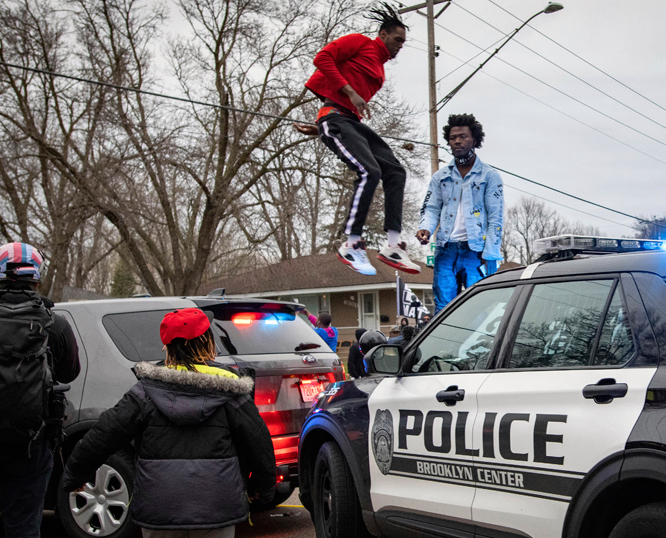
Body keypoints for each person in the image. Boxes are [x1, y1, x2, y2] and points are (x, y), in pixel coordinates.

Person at [61, 308, 276, 538]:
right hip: (216, 508)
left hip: (159, 509)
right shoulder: (231, 392)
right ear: (207, 342)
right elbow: (259, 444)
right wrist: (261, 490)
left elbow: (103, 435)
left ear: (167, 347)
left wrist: (75, 476)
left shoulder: (145, 392)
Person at [294, 3, 420, 277]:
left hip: (348, 122)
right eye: (397, 40)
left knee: (395, 170)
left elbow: (347, 111)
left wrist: (320, 129)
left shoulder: (380, 68)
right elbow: (322, 58)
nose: (400, 46)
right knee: (369, 171)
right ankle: (351, 243)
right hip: (336, 116)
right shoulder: (360, 43)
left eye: (403, 42)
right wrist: (349, 93)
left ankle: (393, 244)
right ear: (383, 34)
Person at [0, 242, 80, 538]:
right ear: (37, 278)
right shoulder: (55, 323)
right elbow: (70, 372)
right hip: (34, 439)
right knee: (24, 525)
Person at [417, 114, 504, 313]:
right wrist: (425, 228)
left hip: (476, 251)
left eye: (463, 136)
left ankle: (479, 345)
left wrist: (489, 254)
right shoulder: (441, 176)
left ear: (474, 139)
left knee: (480, 307)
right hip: (445, 249)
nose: (457, 141)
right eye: (453, 137)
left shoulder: (490, 176)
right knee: (443, 308)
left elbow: (496, 217)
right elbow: (431, 208)